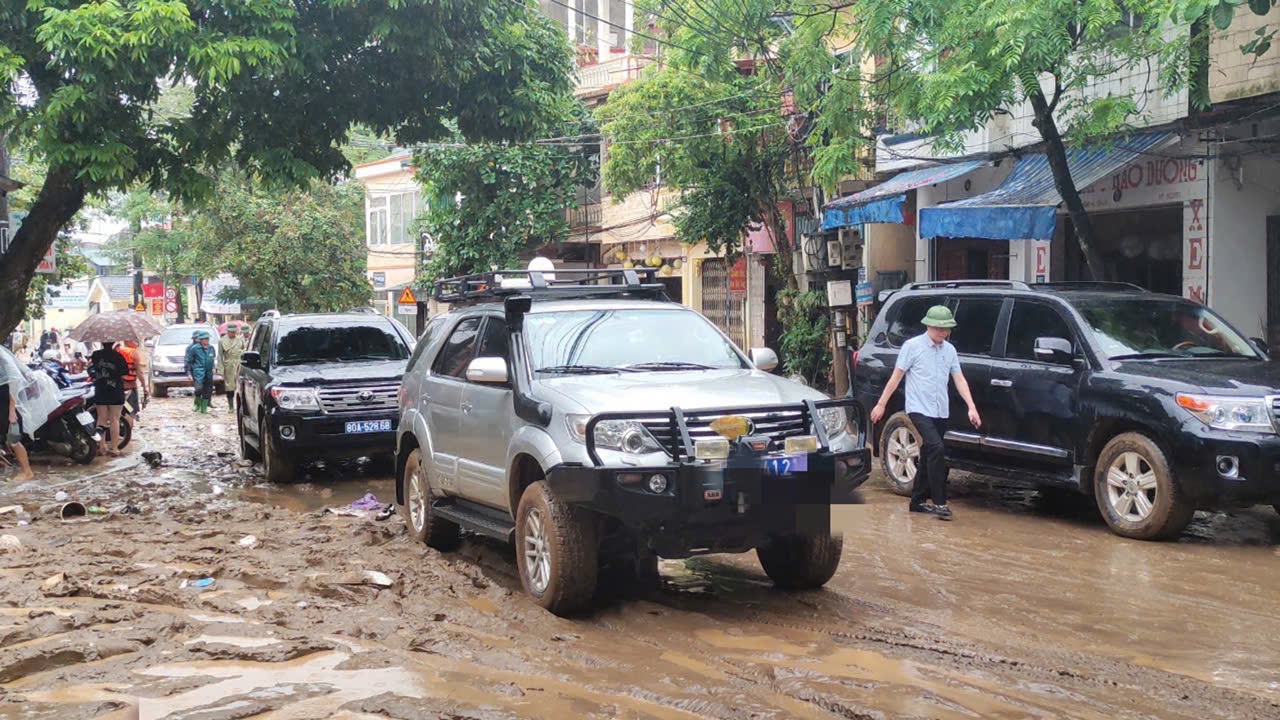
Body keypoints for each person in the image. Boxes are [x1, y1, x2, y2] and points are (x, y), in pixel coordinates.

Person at [869, 305, 981, 521]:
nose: (944, 333)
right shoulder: (912, 347)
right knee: (937, 448)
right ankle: (940, 502)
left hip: (941, 409)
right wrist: (881, 404)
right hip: (918, 408)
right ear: (928, 325)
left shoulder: (949, 350)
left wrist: (971, 407)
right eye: (940, 328)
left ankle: (917, 501)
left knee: (929, 450)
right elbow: (896, 377)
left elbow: (959, 379)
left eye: (947, 329)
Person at [88, 340, 129, 457]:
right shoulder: (118, 356)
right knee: (115, 419)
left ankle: (101, 447)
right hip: (116, 391)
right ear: (113, 343)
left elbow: (92, 370)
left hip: (101, 390)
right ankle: (115, 448)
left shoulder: (96, 355)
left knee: (101, 419)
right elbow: (124, 374)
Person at [0, 366, 35, 482]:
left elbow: (12, 392)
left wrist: (12, 411)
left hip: (6, 411)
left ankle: (27, 471)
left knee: (13, 441)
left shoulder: (4, 371)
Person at [217, 323, 246, 414]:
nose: (232, 334)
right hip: (228, 365)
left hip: (239, 364)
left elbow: (245, 351)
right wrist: (220, 370)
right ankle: (230, 406)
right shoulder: (222, 341)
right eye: (230, 332)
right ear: (227, 332)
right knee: (229, 386)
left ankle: (242, 406)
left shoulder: (240, 339)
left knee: (242, 385)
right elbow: (220, 356)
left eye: (234, 332)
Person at [186, 331, 217, 414]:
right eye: (205, 339)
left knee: (208, 390)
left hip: (208, 372)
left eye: (208, 338)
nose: (207, 340)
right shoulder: (194, 349)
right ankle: (197, 403)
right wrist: (189, 373)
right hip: (198, 372)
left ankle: (204, 408)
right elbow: (189, 361)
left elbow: (212, 359)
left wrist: (213, 367)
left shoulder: (211, 348)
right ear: (200, 340)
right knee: (199, 389)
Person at [118, 340, 142, 436]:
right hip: (130, 386)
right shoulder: (134, 353)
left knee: (119, 411)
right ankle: (128, 435)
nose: (137, 343)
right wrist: (145, 387)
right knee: (130, 412)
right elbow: (139, 372)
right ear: (129, 341)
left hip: (119, 387)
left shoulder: (118, 352)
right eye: (135, 340)